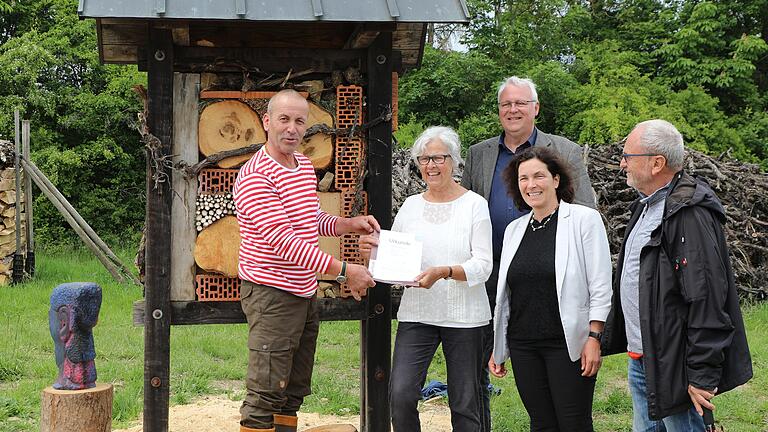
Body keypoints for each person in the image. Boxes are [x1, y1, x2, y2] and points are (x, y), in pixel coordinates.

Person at [233, 89, 379, 432]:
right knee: (265, 395)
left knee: (292, 391)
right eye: (284, 119)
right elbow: (285, 243)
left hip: (302, 291)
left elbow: (309, 219)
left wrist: (345, 224)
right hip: (271, 294)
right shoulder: (257, 176)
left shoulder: (300, 166)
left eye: (300, 121)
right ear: (267, 122)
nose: (292, 128)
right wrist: (345, 272)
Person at [460, 76, 596, 432]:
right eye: (506, 104)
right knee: (484, 373)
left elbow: (585, 211)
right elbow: (468, 213)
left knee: (569, 414)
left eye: (521, 103)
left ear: (535, 108)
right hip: (496, 281)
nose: (513, 110)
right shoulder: (479, 154)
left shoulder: (563, 149)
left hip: (555, 290)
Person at [602, 119, 753, 431]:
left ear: (657, 163)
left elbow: (707, 298)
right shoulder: (647, 206)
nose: (622, 164)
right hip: (645, 359)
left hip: (677, 367)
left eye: (628, 157)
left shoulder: (688, 213)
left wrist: (701, 374)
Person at [360, 126, 493, 432]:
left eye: (438, 158)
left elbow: (483, 265)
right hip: (418, 313)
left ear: (454, 161)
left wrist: (444, 272)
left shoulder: (474, 205)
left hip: (465, 319)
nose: (431, 165)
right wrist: (375, 252)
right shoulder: (411, 206)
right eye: (424, 159)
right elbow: (397, 259)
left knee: (464, 402)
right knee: (401, 395)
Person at [488, 147, 611, 431]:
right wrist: (500, 347)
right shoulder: (514, 230)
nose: (531, 185)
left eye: (539, 176)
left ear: (555, 180)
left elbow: (601, 285)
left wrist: (594, 337)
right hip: (523, 345)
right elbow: (507, 296)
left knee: (573, 423)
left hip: (568, 344)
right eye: (523, 179)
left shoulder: (583, 221)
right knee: (541, 424)